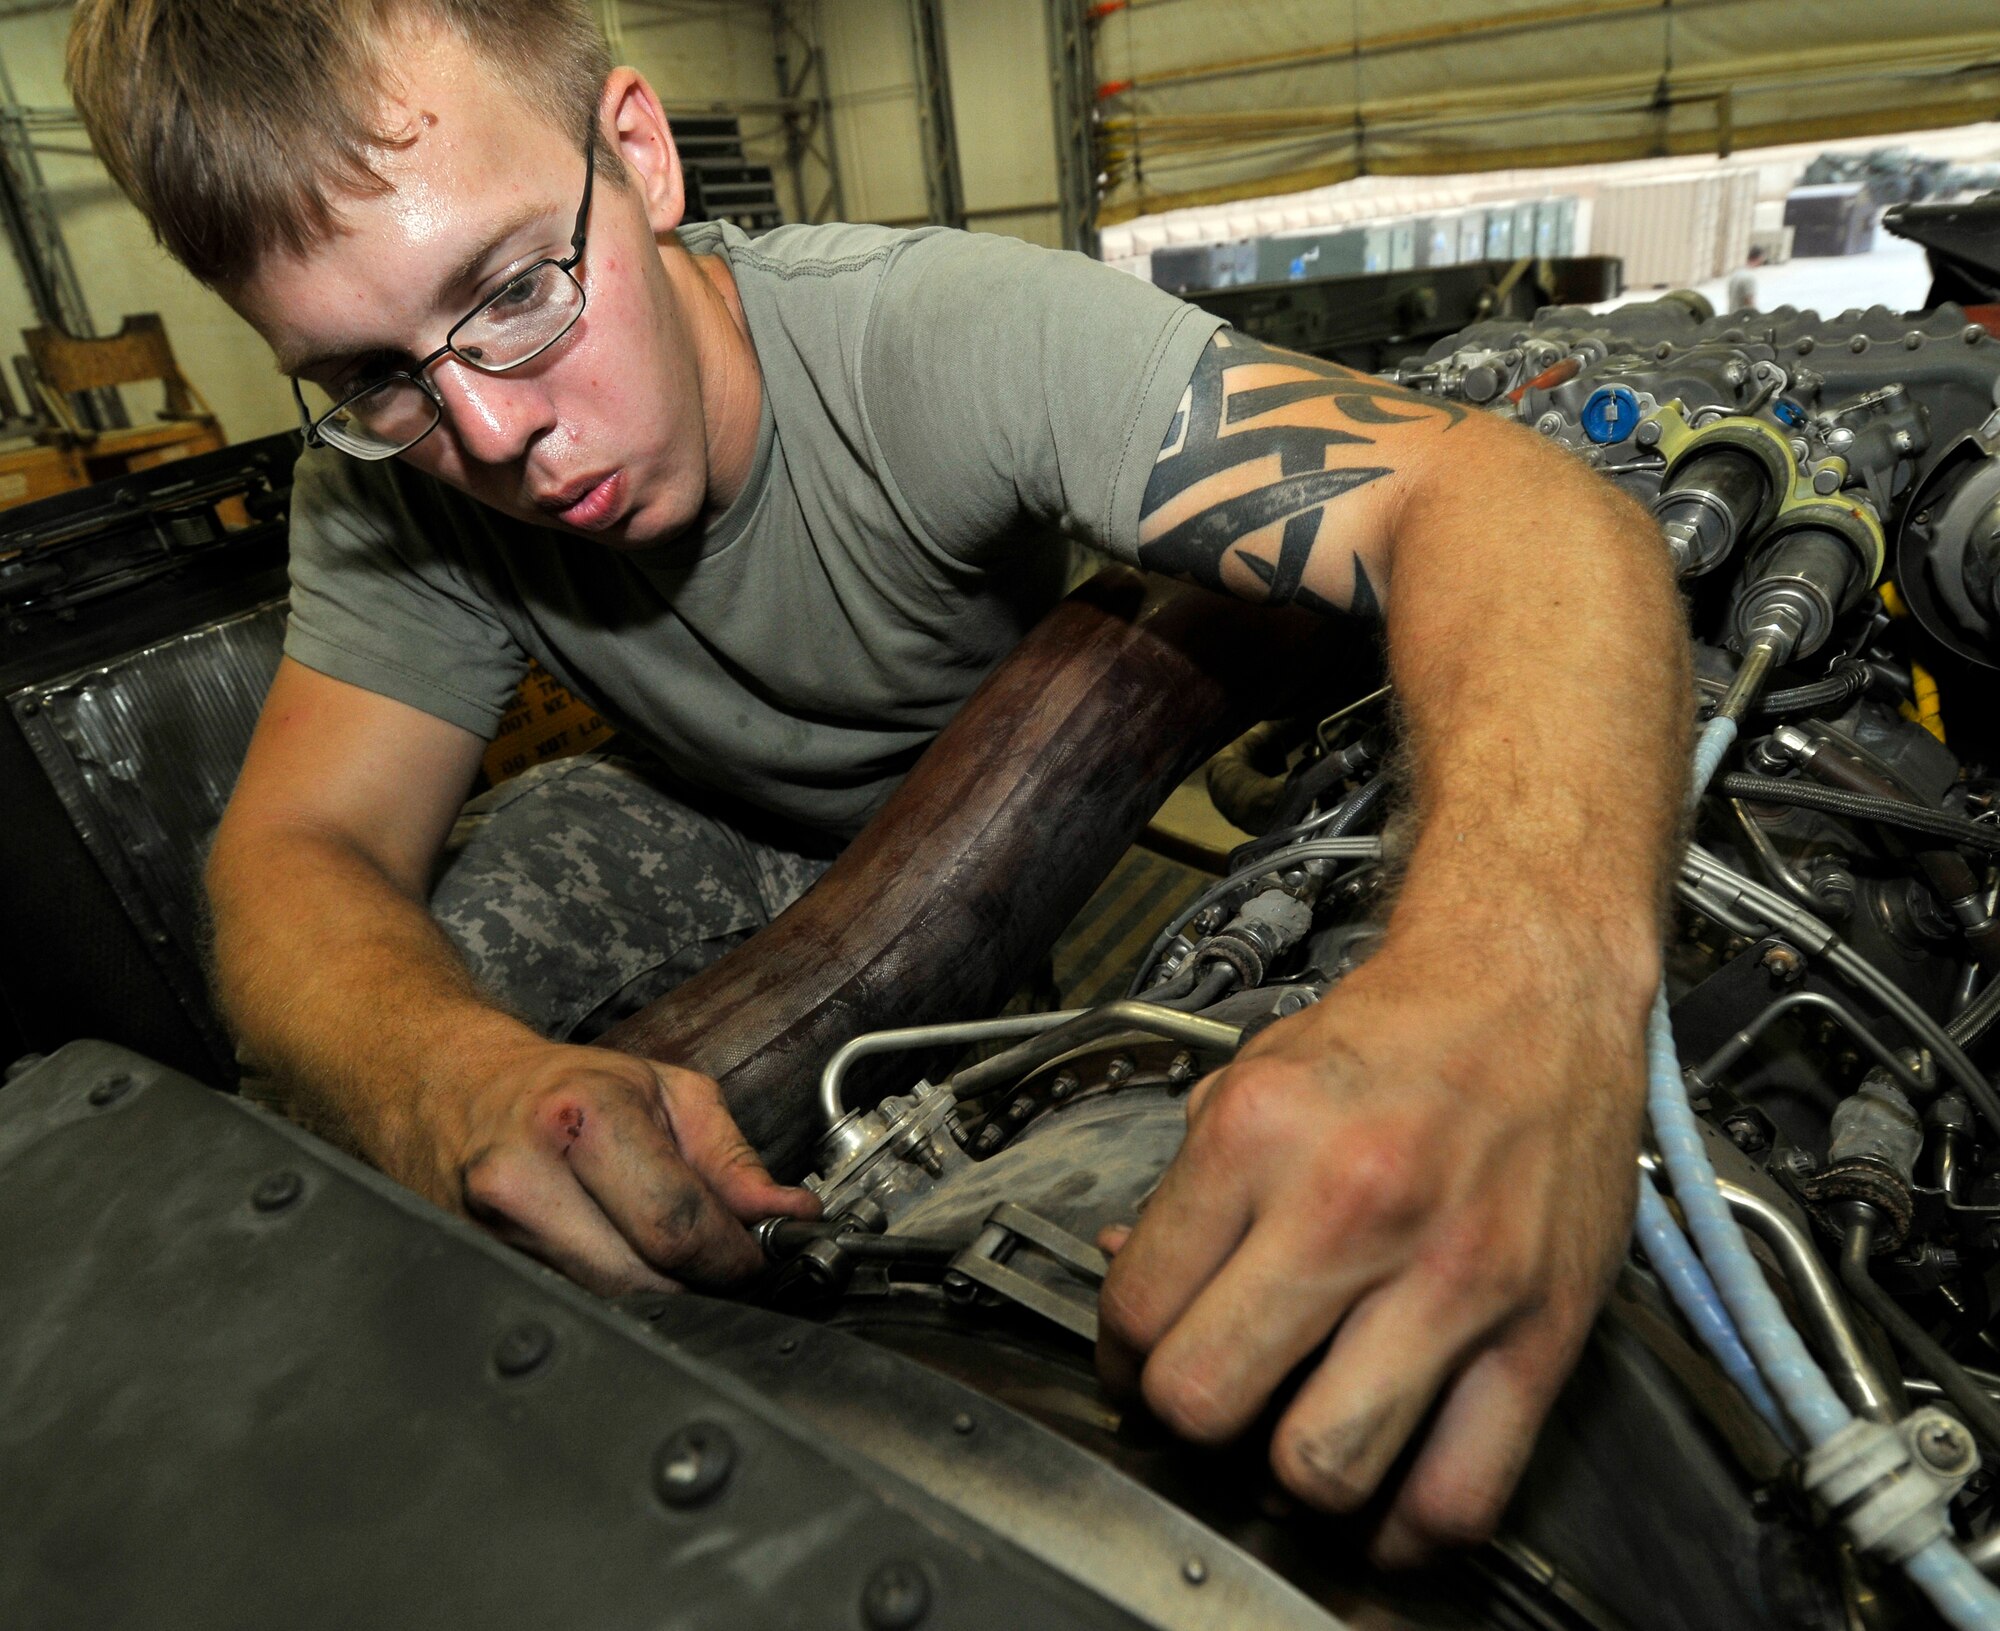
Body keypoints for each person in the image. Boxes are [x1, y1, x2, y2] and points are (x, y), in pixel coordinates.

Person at [68, 0, 1688, 1566]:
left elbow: (1505, 505)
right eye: (373, 377)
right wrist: (441, 1078)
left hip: (1028, 845)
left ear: (636, 153)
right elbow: (301, 846)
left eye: (512, 290)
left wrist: (1520, 983)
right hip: (704, 821)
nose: (494, 435)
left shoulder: (934, 334)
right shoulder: (380, 494)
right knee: (397, 997)